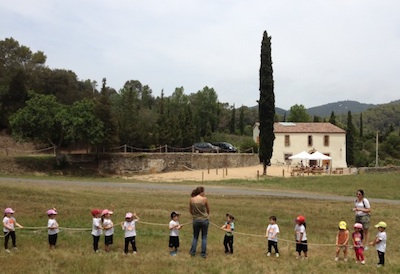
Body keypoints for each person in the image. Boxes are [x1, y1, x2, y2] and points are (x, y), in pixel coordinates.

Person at [189, 186, 210, 258]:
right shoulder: (204, 199)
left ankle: (192, 252)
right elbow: (208, 209)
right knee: (204, 237)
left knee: (195, 237)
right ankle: (203, 253)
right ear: (201, 192)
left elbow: (190, 210)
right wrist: (206, 215)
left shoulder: (192, 199)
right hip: (204, 220)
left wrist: (195, 216)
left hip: (196, 220)